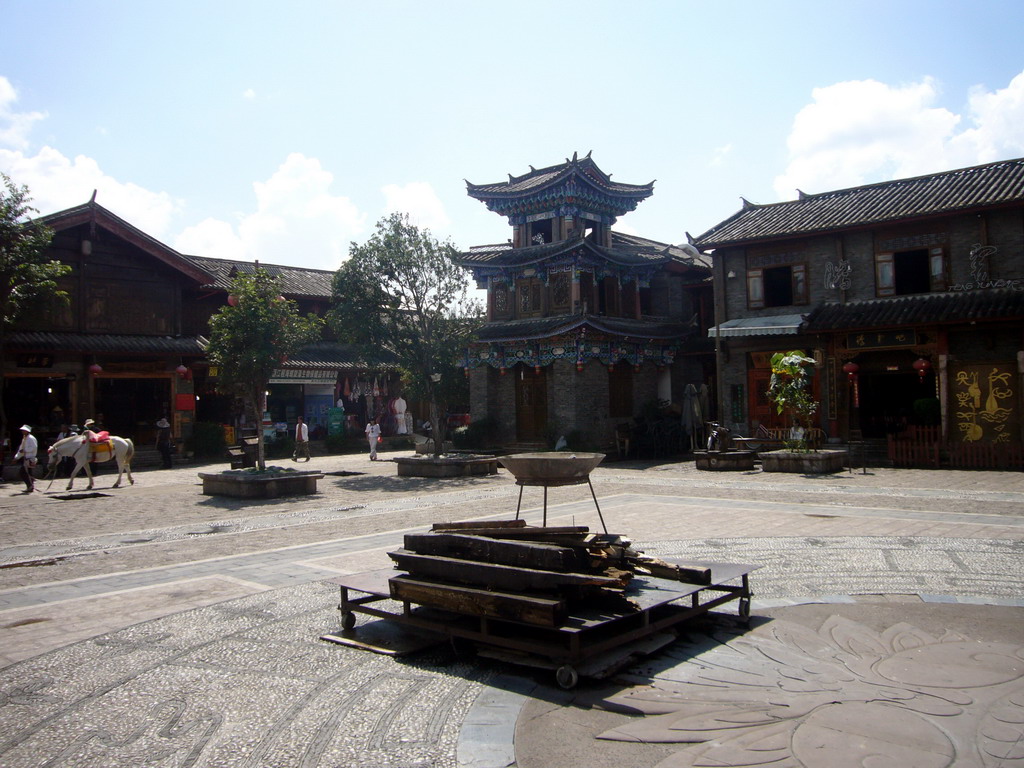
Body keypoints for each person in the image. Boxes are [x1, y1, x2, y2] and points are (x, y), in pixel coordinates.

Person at [13, 425, 38, 493]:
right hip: (26, 458)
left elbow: (33, 448)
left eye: (24, 430)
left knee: (23, 472)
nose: (22, 432)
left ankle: (30, 486)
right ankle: (30, 486)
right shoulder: (24, 439)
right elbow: (21, 449)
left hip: (30, 458)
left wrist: (25, 450)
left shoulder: (31, 438)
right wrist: (16, 457)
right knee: (28, 473)